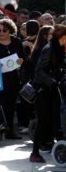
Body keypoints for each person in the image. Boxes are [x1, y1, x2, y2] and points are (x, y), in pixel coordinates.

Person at [30, 25, 66, 163]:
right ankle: (34, 153)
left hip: (53, 90)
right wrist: (52, 82)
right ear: (62, 37)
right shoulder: (49, 48)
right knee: (43, 121)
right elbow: (39, 70)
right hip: (43, 90)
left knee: (56, 120)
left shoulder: (58, 48)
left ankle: (60, 147)